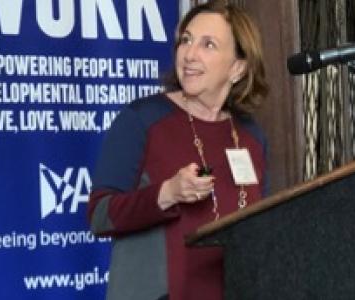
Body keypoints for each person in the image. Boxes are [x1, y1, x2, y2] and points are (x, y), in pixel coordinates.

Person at [87, 1, 269, 300]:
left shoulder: (251, 137)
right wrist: (167, 193)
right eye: (186, 40)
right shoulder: (141, 120)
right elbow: (100, 215)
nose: (190, 54)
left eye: (208, 44)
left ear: (238, 67)